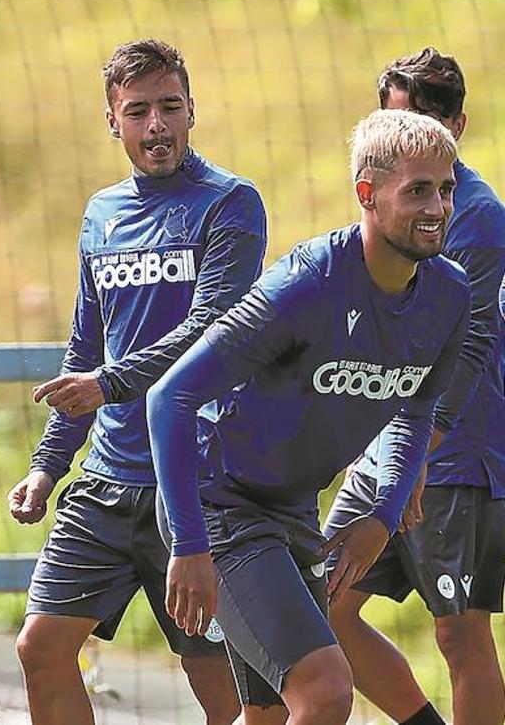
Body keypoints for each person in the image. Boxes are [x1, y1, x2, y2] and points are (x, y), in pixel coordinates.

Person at [149, 108, 471, 725]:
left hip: (292, 509)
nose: (438, 207)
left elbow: (416, 411)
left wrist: (380, 515)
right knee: (324, 689)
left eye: (447, 188)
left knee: (272, 714)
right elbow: (170, 396)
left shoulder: (449, 295)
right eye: (418, 190)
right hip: (221, 506)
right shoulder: (306, 283)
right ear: (368, 195)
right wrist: (189, 546)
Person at [10, 38, 265, 725]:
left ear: (192, 111)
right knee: (40, 648)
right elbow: (86, 345)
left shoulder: (230, 204)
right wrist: (47, 463)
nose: (157, 125)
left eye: (171, 108)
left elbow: (212, 329)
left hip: (197, 483)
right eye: (139, 110)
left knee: (221, 685)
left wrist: (110, 384)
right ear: (112, 120)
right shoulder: (102, 214)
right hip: (107, 478)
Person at [323, 47, 505, 725]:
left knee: (460, 631)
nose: (412, 142)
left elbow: (471, 342)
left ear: (458, 125)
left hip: (451, 450)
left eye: (429, 124)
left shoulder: (477, 216)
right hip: (380, 446)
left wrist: (423, 446)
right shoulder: (375, 213)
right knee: (327, 602)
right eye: (395, 121)